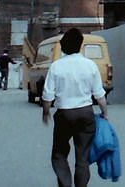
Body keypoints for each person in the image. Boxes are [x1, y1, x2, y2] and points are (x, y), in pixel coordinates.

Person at [41, 28, 109, 187]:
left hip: (64, 114)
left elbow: (47, 95)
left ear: (63, 46)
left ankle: (65, 183)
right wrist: (105, 112)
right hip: (85, 113)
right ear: (80, 46)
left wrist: (45, 112)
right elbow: (99, 94)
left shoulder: (56, 66)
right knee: (82, 157)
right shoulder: (90, 65)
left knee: (59, 153)